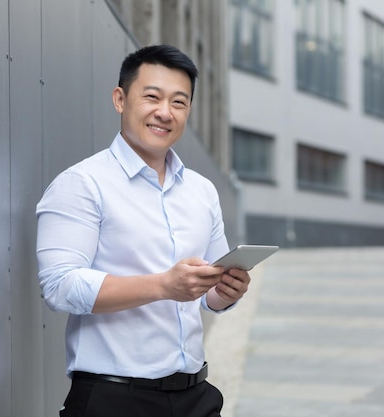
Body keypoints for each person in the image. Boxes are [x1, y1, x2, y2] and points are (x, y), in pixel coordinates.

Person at [36, 44, 251, 417]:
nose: (164, 113)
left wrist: (225, 292)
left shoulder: (201, 191)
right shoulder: (82, 184)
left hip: (196, 397)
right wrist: (163, 286)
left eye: (179, 103)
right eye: (152, 97)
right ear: (120, 99)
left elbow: (207, 293)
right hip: (113, 399)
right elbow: (60, 286)